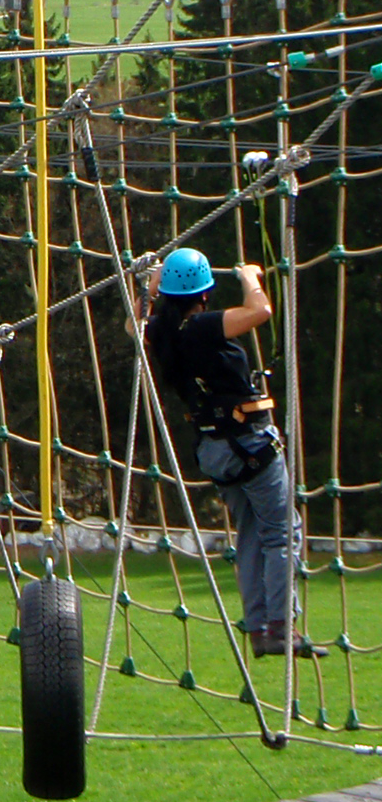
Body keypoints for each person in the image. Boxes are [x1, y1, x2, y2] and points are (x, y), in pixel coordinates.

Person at [136, 246, 324, 661]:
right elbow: (260, 311)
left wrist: (149, 287)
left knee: (253, 534)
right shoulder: (201, 326)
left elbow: (136, 327)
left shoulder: (161, 332)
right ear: (204, 294)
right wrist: (249, 276)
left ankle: (259, 629)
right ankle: (280, 626)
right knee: (282, 532)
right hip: (248, 443)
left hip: (215, 449)